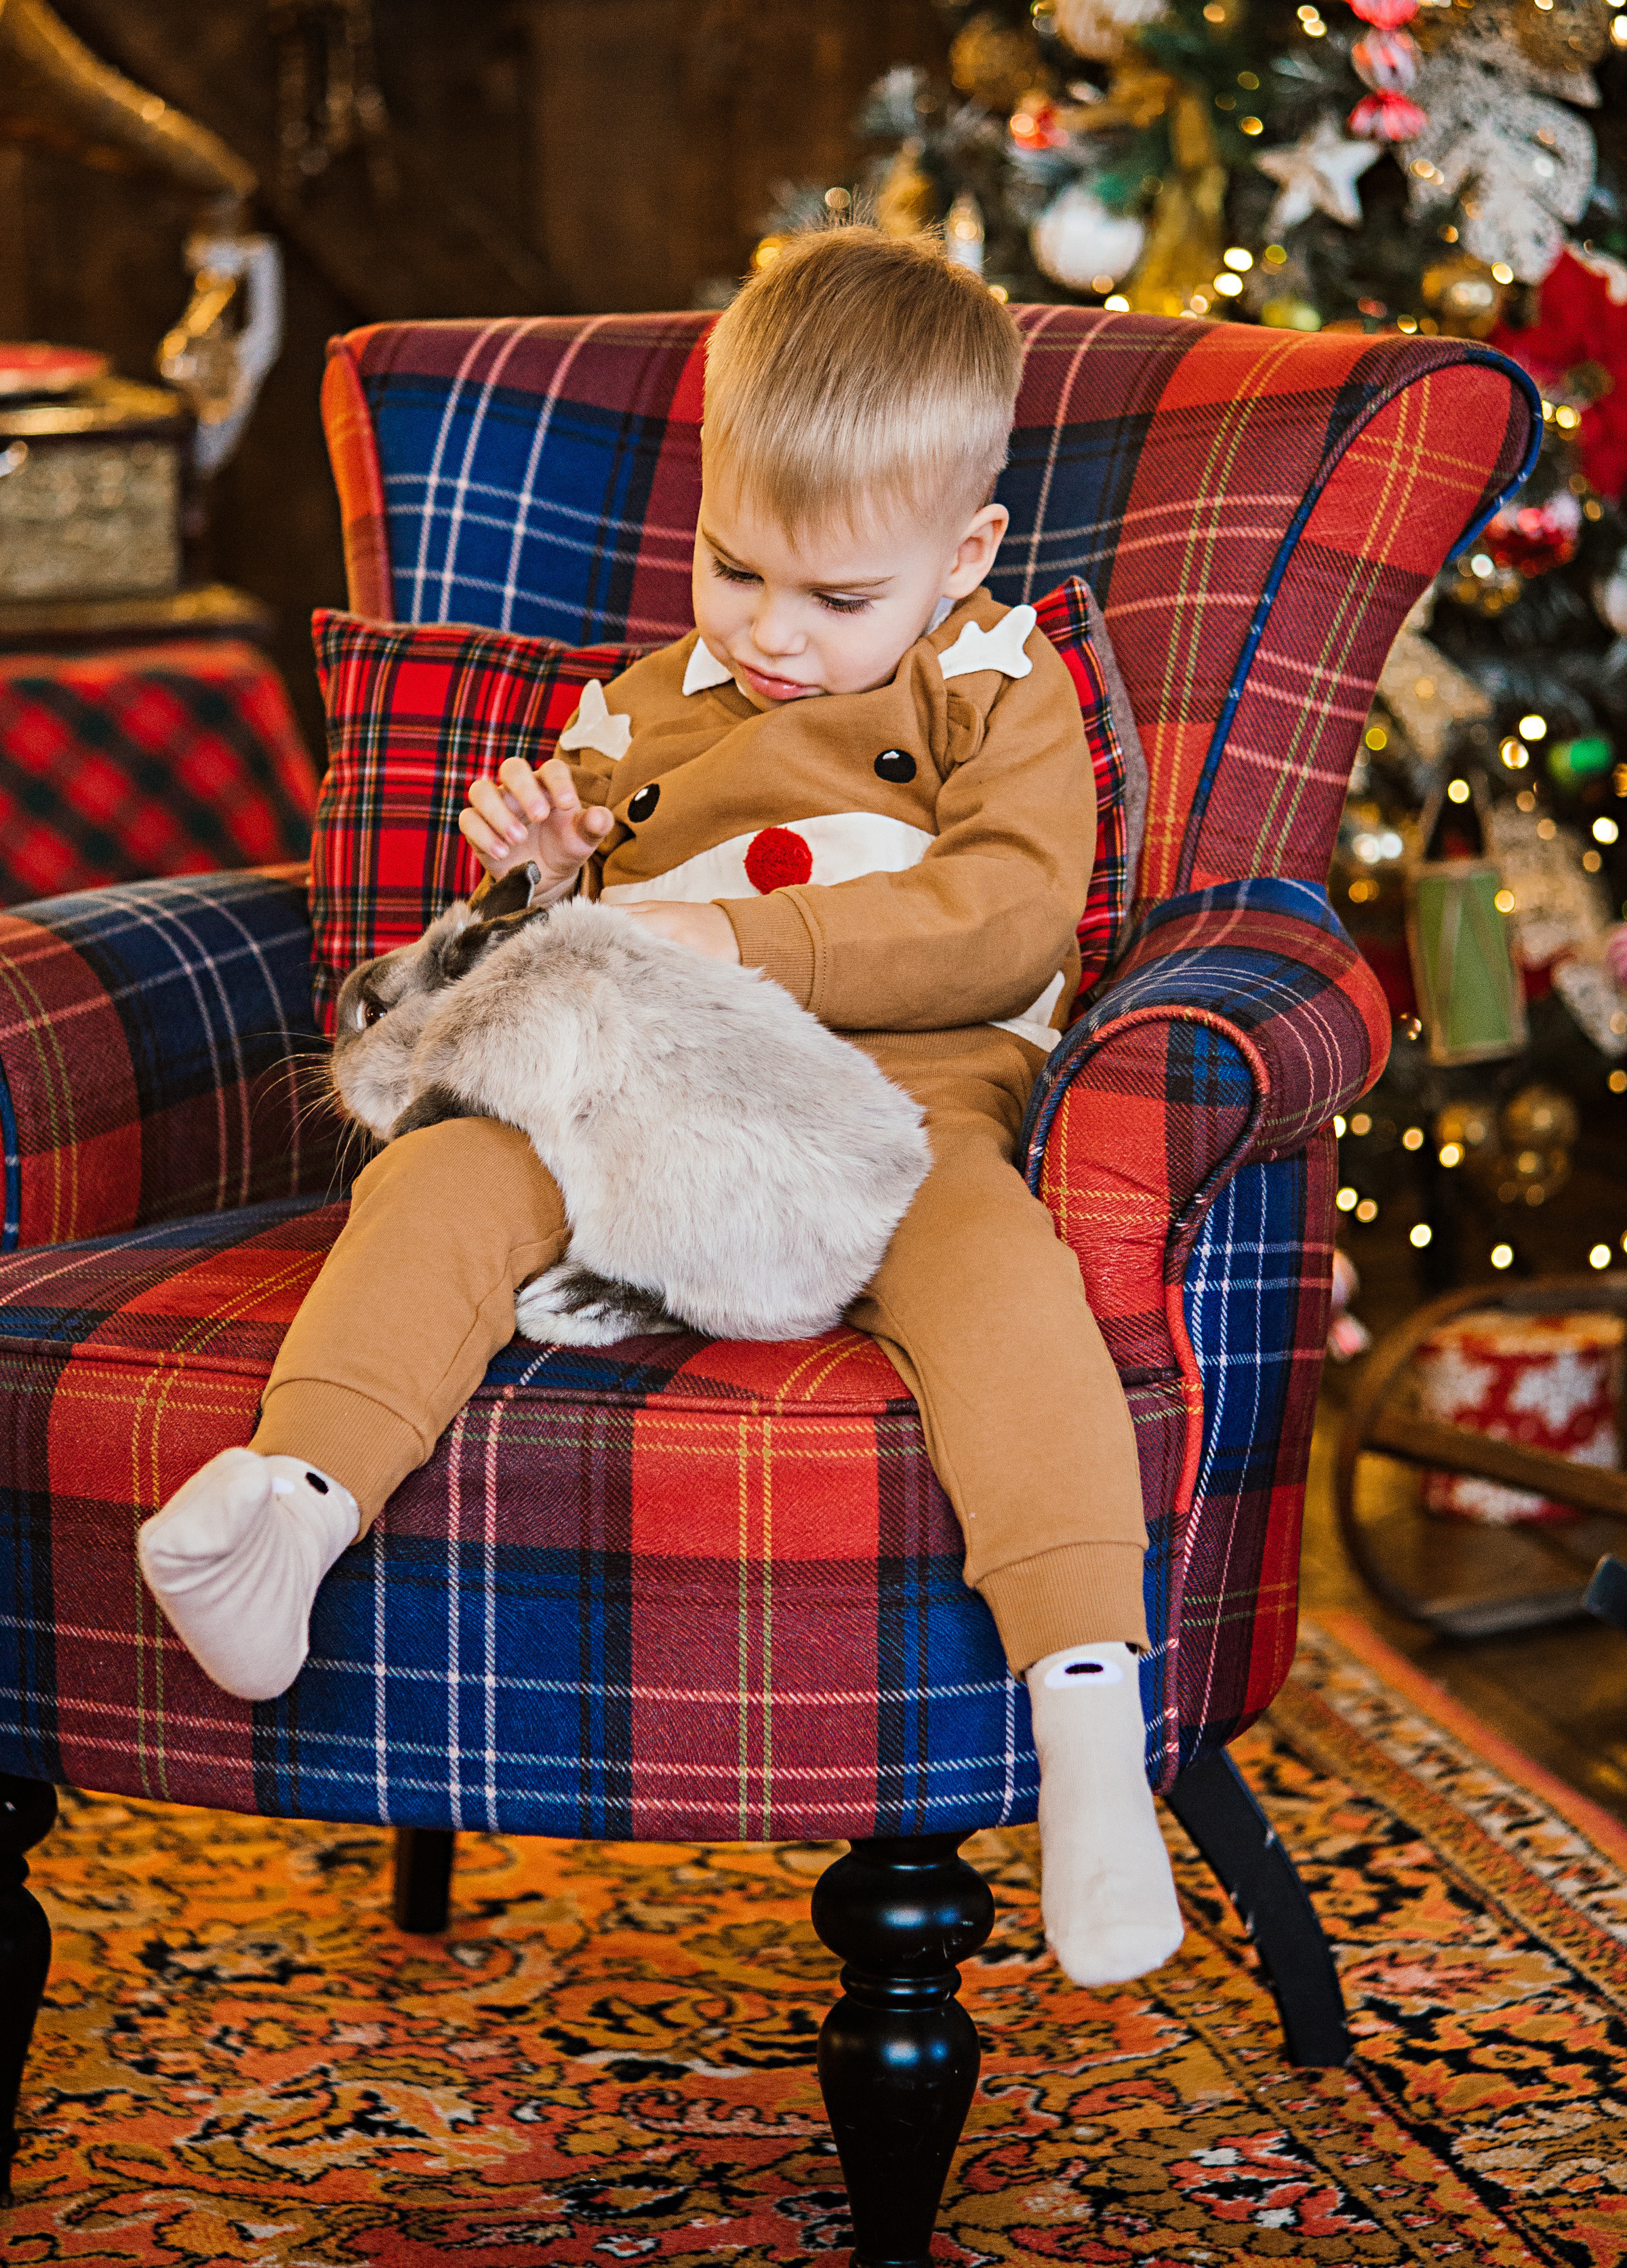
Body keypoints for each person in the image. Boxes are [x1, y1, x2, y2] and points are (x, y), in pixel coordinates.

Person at [139, 227, 1183, 1989]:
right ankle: (299, 1499)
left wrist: (736, 932)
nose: (773, 635)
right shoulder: (635, 715)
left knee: (1000, 1273)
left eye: (836, 597)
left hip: (905, 1107)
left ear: (969, 550)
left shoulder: (1000, 685)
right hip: (638, 1092)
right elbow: (547, 971)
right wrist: (539, 882)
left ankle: (1090, 1729)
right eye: (733, 568)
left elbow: (1009, 914)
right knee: (452, 1170)